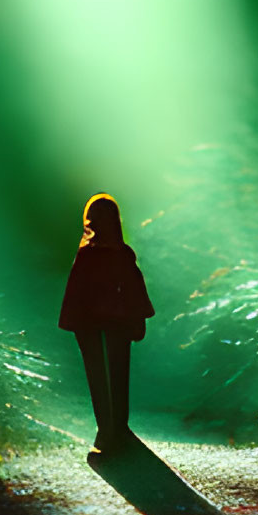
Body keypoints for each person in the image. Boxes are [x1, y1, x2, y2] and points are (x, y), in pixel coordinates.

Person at [58, 193, 154, 454]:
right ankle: (117, 429)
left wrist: (72, 322)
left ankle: (107, 430)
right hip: (115, 324)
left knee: (98, 375)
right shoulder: (121, 255)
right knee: (117, 373)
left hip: (92, 325)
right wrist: (139, 319)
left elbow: (75, 293)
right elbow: (135, 291)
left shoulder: (89, 256)